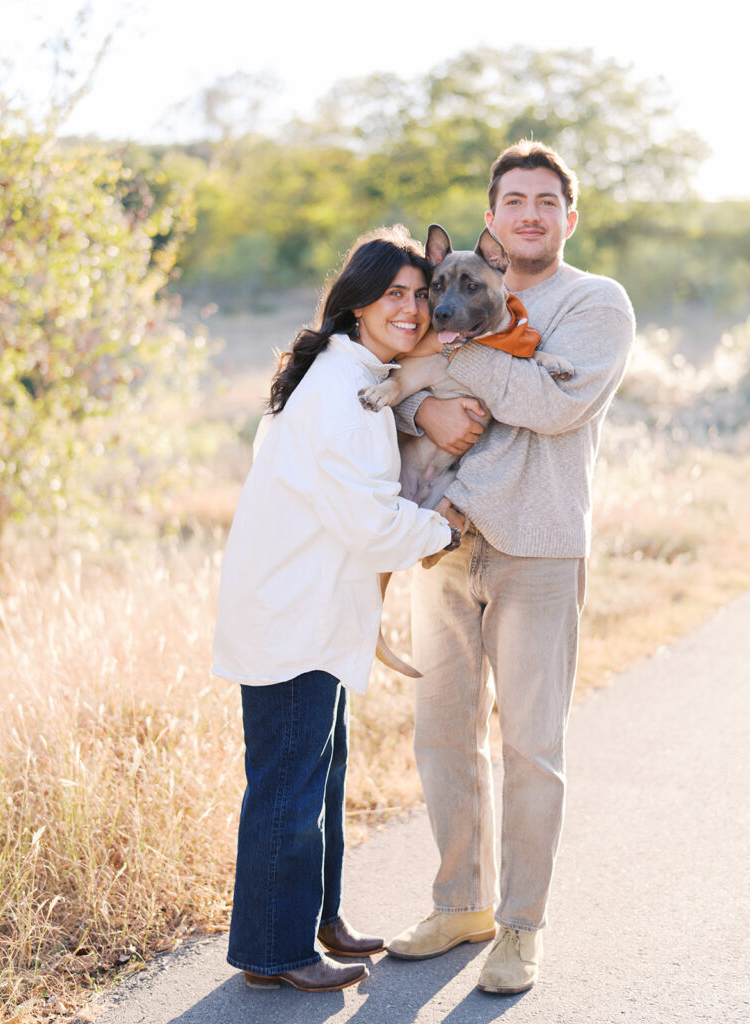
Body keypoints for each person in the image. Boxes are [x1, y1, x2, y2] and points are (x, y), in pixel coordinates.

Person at [386, 141, 636, 994]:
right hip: (441, 545)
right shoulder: (447, 291)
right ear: (490, 220)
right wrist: (421, 398)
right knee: (442, 736)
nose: (530, 214)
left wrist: (449, 364)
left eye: (546, 201)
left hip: (537, 546)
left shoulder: (595, 304)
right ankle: (461, 902)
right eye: (514, 200)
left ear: (570, 216)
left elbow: (552, 405)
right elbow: (405, 385)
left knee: (531, 747)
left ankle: (522, 927)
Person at [211, 226, 457, 994]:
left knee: (318, 776)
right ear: (356, 305)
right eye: (394, 295)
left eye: (420, 296)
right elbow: (372, 523)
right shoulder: (337, 392)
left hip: (317, 615)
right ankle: (273, 950)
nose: (412, 309)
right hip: (295, 617)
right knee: (288, 784)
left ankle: (318, 918)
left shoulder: (354, 376)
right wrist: (449, 527)